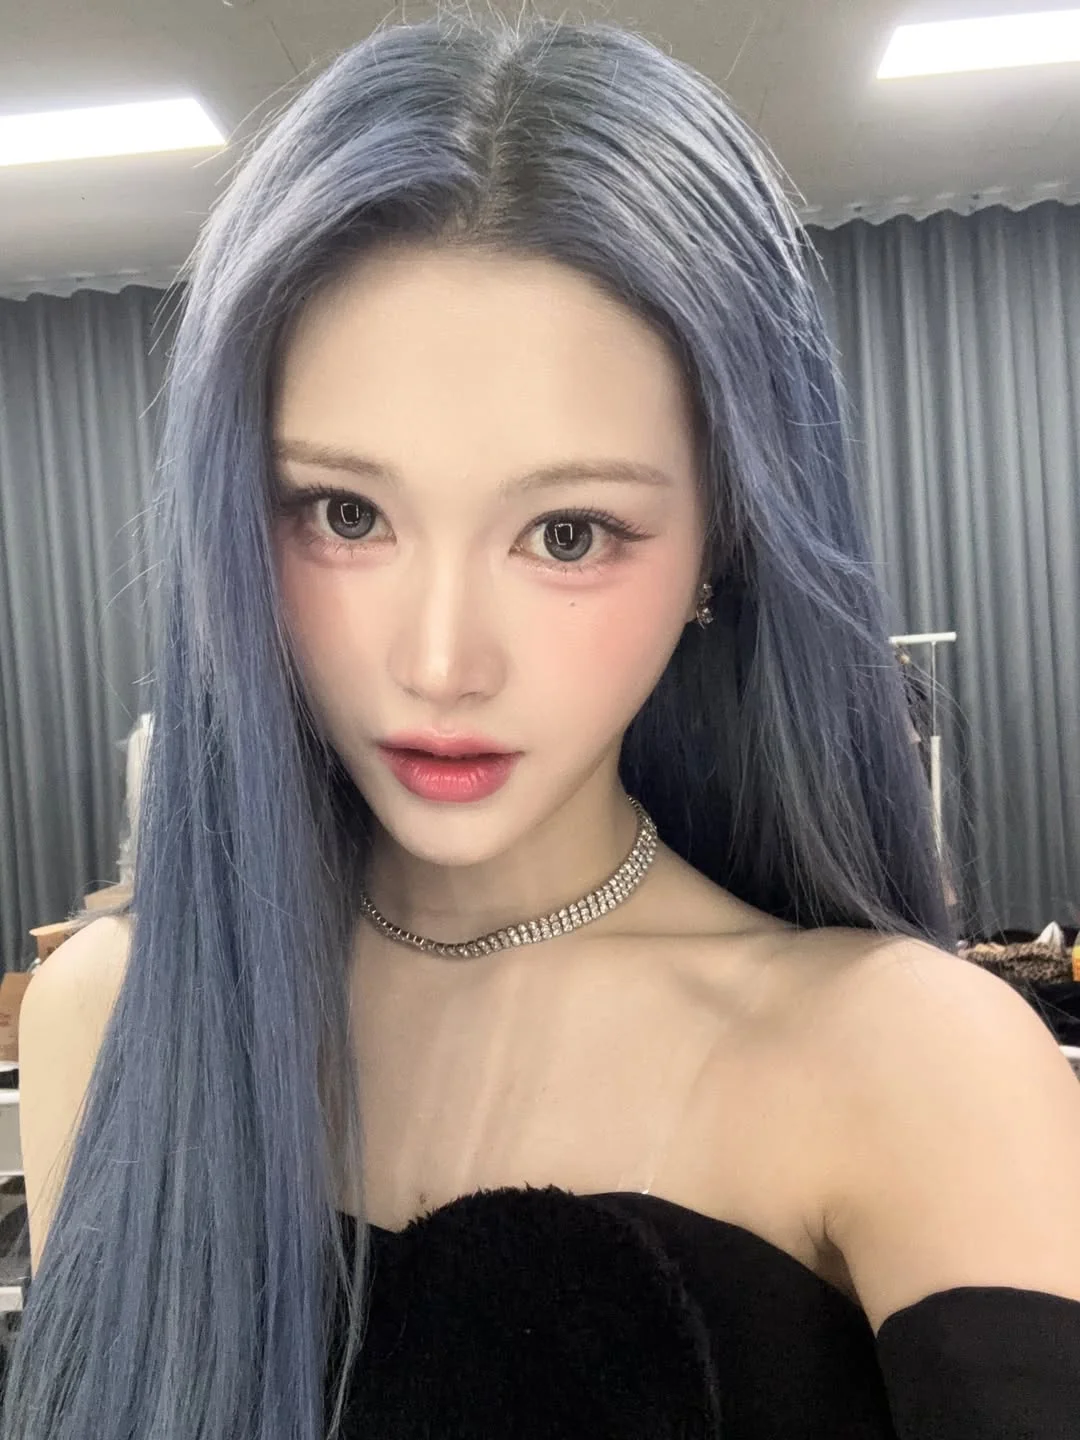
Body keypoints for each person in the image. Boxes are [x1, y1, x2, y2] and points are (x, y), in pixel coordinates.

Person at [8, 8, 1080, 1440]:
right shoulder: (117, 1015)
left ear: (722, 544)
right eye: (345, 515)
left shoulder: (907, 1064)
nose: (441, 663)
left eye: (568, 532)